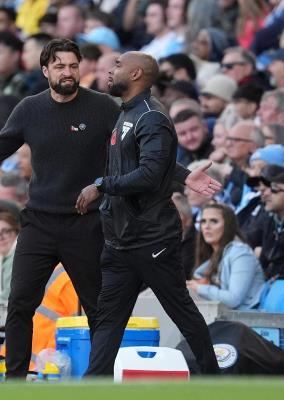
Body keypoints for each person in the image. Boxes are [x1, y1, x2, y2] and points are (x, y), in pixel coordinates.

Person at [0, 39, 216, 378]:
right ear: (45, 70)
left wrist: (185, 177)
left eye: (73, 66)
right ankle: (14, 383)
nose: (67, 72)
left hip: (87, 224)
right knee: (20, 305)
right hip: (39, 223)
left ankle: (100, 382)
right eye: (59, 66)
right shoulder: (29, 109)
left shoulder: (104, 107)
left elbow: (142, 154)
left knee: (100, 311)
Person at [75, 51, 220, 376]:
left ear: (136, 74)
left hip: (151, 238)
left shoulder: (151, 116)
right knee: (108, 318)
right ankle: (93, 384)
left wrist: (101, 185)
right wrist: (183, 174)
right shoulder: (127, 112)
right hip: (120, 239)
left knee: (181, 310)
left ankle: (213, 379)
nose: (109, 70)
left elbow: (150, 175)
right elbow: (150, 161)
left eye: (117, 65)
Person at [188, 203, 264, 310]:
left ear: (228, 226)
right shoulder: (212, 256)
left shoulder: (241, 253)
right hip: (222, 317)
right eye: (203, 221)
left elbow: (234, 299)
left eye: (214, 221)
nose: (206, 226)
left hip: (248, 317)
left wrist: (199, 288)